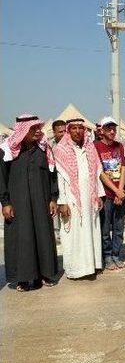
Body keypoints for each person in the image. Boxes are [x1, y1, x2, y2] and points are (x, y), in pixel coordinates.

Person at [0, 114, 58, 291]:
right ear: (23, 130)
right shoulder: (7, 151)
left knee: (42, 236)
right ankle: (23, 279)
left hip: (41, 202)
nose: (37, 131)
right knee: (22, 238)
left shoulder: (44, 149)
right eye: (33, 128)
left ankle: (45, 274)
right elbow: (1, 178)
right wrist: (5, 203)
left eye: (38, 127)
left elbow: (52, 175)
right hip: (19, 204)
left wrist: (53, 199)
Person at [54, 118, 105, 280]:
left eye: (80, 128)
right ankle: (76, 269)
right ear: (69, 131)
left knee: (91, 230)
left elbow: (97, 173)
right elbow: (60, 178)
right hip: (71, 200)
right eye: (74, 128)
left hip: (90, 198)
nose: (78, 131)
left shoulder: (90, 148)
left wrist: (99, 195)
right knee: (74, 233)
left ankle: (92, 266)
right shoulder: (60, 150)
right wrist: (62, 202)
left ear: (85, 130)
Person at [95, 116, 125, 270]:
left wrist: (120, 191)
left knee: (119, 227)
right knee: (106, 228)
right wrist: (115, 191)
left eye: (114, 128)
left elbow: (123, 168)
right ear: (101, 130)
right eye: (108, 129)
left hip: (119, 193)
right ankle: (107, 256)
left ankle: (116, 254)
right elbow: (100, 172)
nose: (112, 131)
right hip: (106, 195)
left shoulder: (119, 146)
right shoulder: (96, 147)